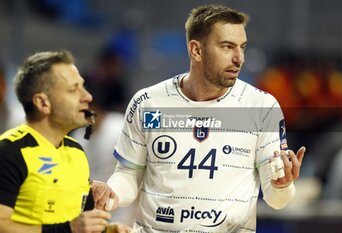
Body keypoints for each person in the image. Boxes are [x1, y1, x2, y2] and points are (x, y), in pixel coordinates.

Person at [93, 5, 306, 232]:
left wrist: (282, 186)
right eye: (227, 47)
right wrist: (112, 193)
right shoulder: (148, 103)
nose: (239, 58)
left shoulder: (262, 107)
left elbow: (276, 200)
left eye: (242, 47)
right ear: (196, 50)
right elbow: (128, 174)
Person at [0, 50, 125, 233]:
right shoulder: (9, 152)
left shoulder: (76, 151)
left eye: (83, 87)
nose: (87, 97)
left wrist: (107, 230)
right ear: (43, 103)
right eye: (73, 89)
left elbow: (77, 222)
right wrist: (67, 229)